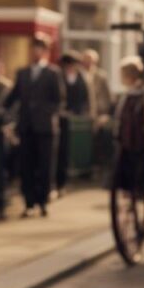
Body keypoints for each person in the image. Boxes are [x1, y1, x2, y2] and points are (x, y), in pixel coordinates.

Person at [3, 33, 65, 218]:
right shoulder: (22, 73)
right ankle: (29, 203)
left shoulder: (53, 73)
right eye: (33, 48)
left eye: (39, 48)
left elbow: (59, 100)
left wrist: (45, 112)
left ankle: (43, 202)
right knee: (27, 165)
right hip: (26, 126)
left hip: (45, 127)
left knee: (45, 166)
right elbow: (13, 96)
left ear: (45, 51)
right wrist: (2, 110)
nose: (36, 52)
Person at [112, 56, 144, 198]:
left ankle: (138, 188)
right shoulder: (129, 93)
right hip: (128, 136)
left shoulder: (141, 92)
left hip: (137, 137)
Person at [55, 51, 91, 195]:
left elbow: (85, 98)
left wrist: (78, 112)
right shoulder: (58, 77)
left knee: (67, 152)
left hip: (74, 119)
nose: (71, 68)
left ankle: (63, 182)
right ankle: (56, 183)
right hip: (59, 118)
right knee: (57, 153)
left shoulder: (82, 77)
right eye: (68, 65)